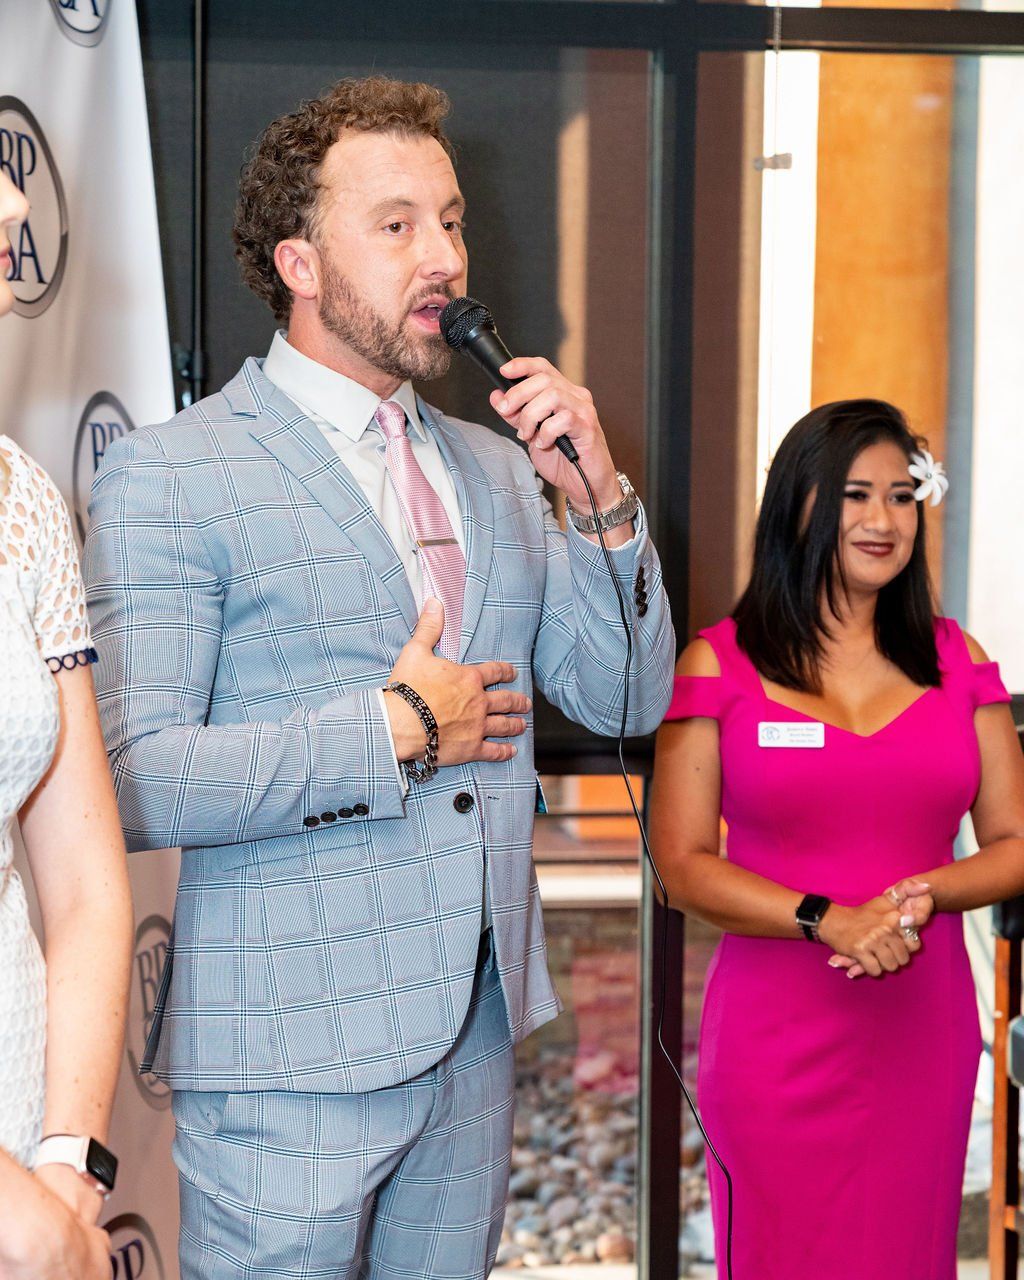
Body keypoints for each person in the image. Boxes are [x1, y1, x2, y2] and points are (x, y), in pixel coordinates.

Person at [82, 76, 674, 1279]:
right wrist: (392, 728)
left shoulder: (498, 469)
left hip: (475, 1039)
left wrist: (600, 500)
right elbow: (133, 778)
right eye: (396, 224)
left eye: (450, 220)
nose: (442, 255)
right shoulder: (173, 473)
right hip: (285, 1058)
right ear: (300, 263)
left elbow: (625, 701)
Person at [650, 398, 1024, 1280]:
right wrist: (828, 917)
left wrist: (923, 895)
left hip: (921, 1024)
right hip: (774, 1030)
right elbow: (682, 865)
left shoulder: (960, 660)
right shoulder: (718, 663)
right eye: (856, 495)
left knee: (906, 1252)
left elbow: (1015, 840)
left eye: (901, 496)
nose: (883, 520)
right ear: (798, 504)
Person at [0, 172, 133, 1278]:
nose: (13, 203)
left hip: (21, 1081)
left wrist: (64, 1159)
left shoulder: (24, 500)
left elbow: (84, 878)